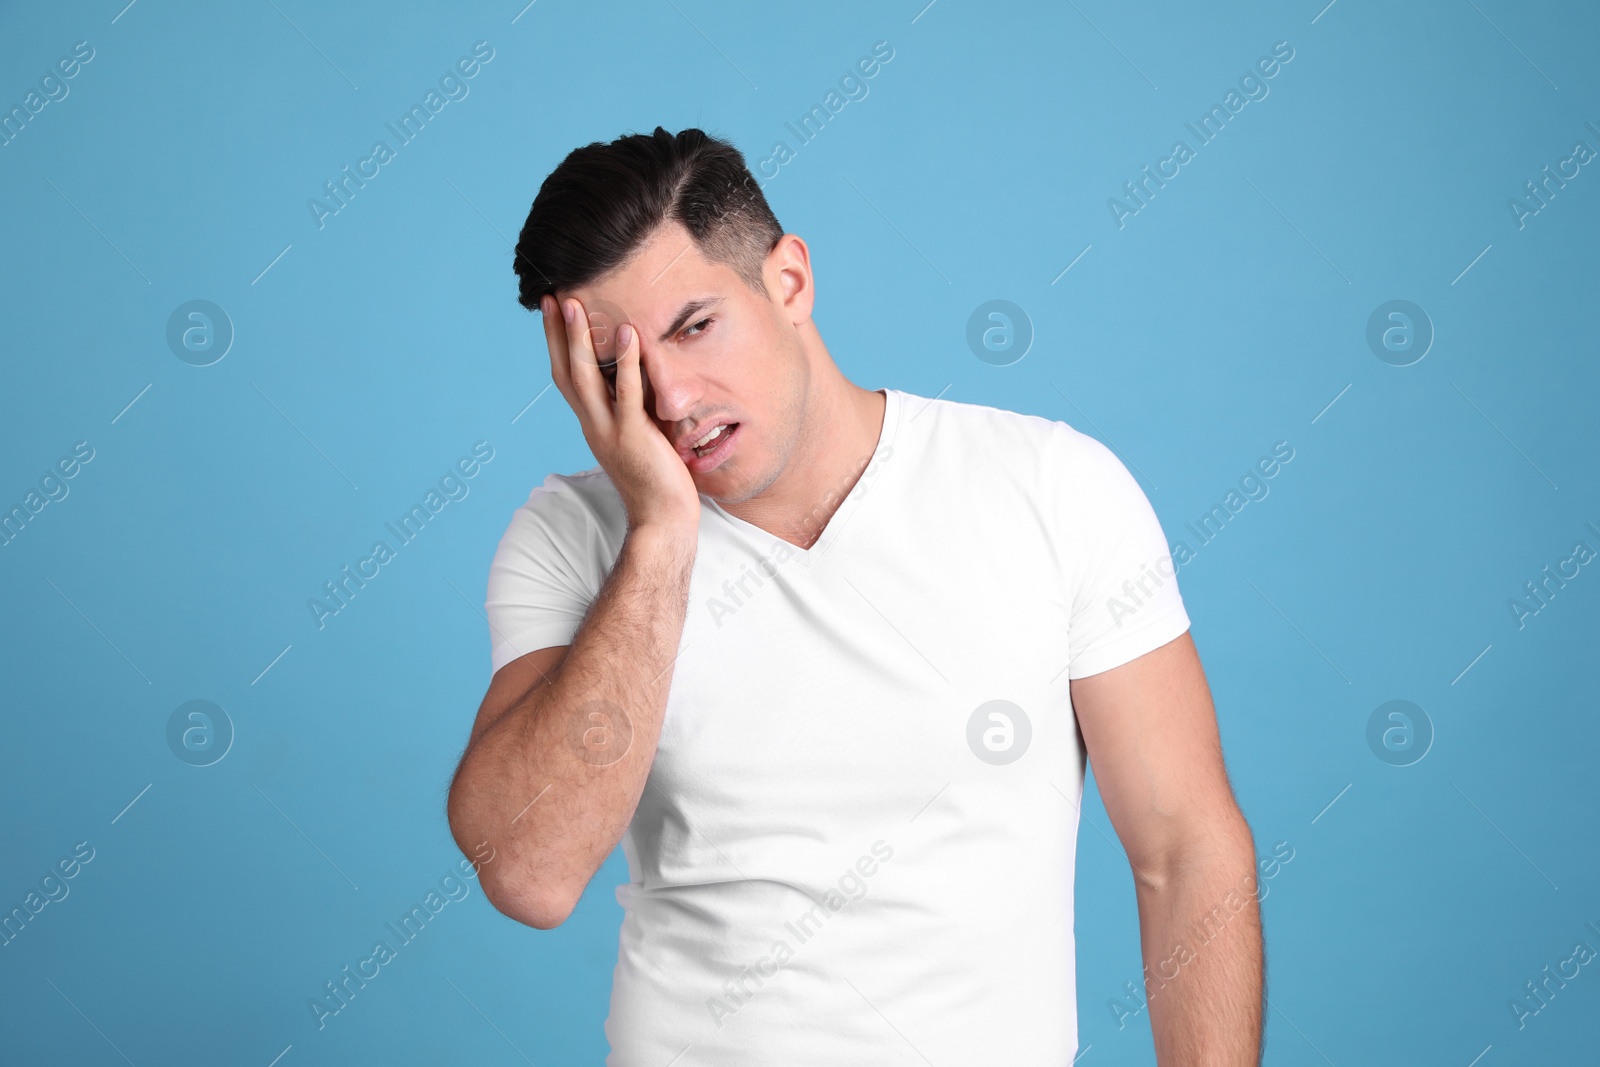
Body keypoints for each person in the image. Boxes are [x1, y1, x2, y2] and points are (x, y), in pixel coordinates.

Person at [446, 126, 1263, 1065]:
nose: (669, 397)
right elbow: (532, 873)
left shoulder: (1050, 486)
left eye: (694, 326)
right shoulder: (571, 538)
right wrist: (662, 535)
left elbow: (1185, 850)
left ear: (788, 281)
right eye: (615, 367)